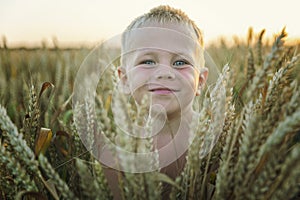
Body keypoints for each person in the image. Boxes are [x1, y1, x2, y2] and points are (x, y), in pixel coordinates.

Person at [102, 5, 208, 199]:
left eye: (180, 62)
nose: (164, 73)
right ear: (124, 80)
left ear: (200, 82)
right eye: (148, 61)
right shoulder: (116, 155)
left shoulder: (222, 141)